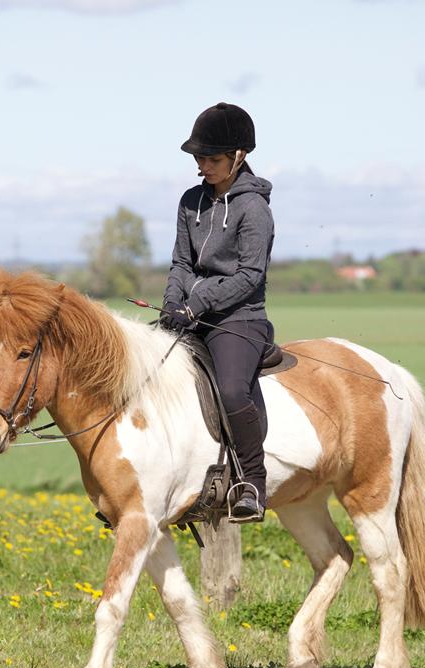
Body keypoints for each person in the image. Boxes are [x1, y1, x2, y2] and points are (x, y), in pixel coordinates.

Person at [160, 102, 275, 523]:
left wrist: (197, 304)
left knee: (230, 391)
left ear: (238, 156)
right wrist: (174, 303)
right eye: (198, 159)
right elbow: (181, 263)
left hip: (239, 318)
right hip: (191, 311)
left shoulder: (254, 210)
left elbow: (249, 276)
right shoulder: (190, 202)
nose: (203, 166)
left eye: (211, 159)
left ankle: (251, 485)